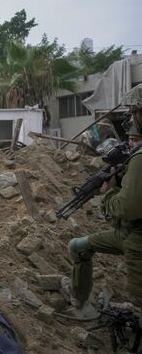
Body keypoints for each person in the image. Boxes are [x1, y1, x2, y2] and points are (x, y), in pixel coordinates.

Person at [61, 84, 142, 321]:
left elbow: (128, 208)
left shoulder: (139, 159)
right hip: (128, 235)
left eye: (134, 111)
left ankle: (80, 305)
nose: (131, 117)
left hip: (136, 239)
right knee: (79, 246)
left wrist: (106, 193)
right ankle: (79, 300)